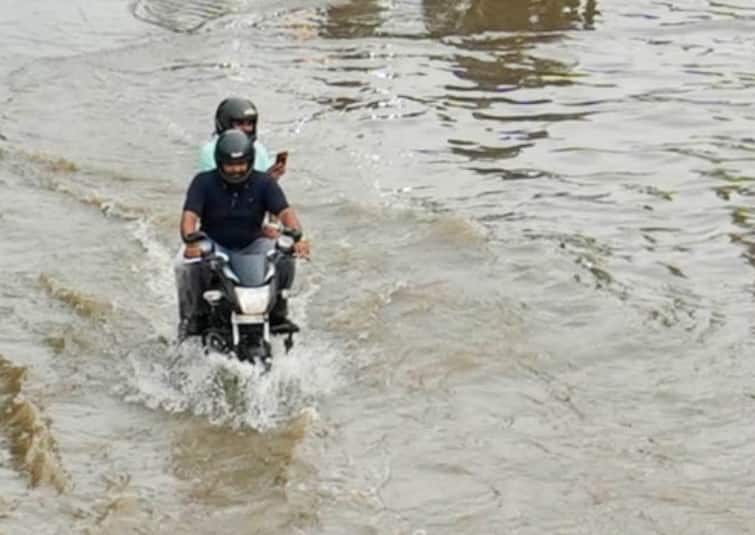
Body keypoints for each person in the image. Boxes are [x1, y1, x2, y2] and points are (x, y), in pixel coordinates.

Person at [176, 129, 309, 339]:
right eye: (230, 164)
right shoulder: (203, 182)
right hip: (214, 243)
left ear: (250, 161)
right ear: (220, 163)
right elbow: (189, 216)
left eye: (241, 164)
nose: (236, 170)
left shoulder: (265, 183)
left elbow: (285, 211)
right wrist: (190, 239)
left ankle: (278, 310)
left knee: (285, 255)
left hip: (253, 243)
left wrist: (296, 237)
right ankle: (197, 315)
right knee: (188, 264)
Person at [197, 97, 286, 179]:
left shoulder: (259, 149)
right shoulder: (210, 151)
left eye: (249, 124)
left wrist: (271, 179)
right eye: (239, 124)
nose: (246, 128)